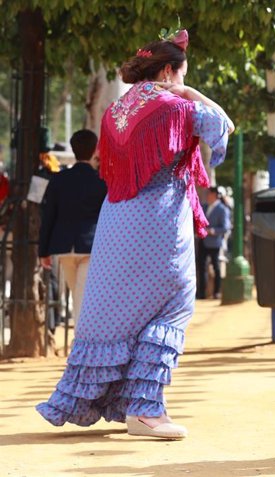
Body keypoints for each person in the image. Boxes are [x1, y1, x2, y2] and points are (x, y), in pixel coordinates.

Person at [36, 29, 233, 439]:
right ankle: (145, 410)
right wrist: (191, 92)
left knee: (117, 312)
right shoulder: (174, 106)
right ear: (167, 70)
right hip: (159, 220)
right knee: (172, 307)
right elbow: (223, 127)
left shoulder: (115, 110)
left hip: (117, 218)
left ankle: (125, 404)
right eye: (182, 73)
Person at [38, 129, 107, 326]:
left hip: (63, 246)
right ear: (95, 150)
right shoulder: (101, 180)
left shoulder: (59, 179)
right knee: (82, 297)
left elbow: (48, 216)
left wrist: (43, 251)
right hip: (91, 247)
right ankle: (81, 344)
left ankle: (81, 342)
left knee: (78, 295)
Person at [196, 186, 231, 299]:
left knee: (216, 267)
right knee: (201, 267)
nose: (207, 196)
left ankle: (217, 292)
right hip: (203, 241)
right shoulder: (205, 207)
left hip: (214, 243)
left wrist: (212, 231)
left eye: (209, 194)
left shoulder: (222, 209)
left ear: (215, 195)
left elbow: (225, 228)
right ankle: (202, 293)